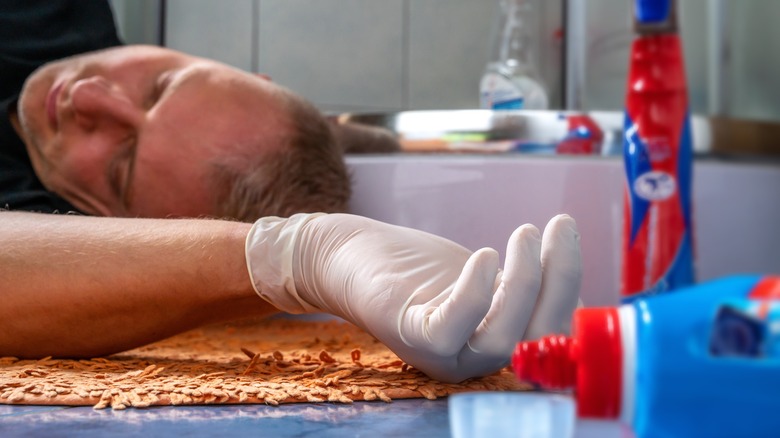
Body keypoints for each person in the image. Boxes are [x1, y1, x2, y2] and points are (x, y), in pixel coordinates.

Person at [0, 0, 582, 384]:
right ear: (248, 74)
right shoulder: (54, 12)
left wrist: (298, 256)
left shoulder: (41, 250)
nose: (91, 98)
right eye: (160, 84)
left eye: (122, 165)